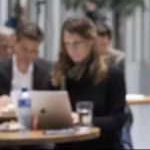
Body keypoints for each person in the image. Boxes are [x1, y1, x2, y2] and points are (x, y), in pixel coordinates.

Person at [51, 16, 126, 149]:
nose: (72, 49)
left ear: (90, 42)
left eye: (77, 43)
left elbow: (118, 120)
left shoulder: (112, 75)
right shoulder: (59, 75)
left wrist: (83, 119)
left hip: (101, 145)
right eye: (67, 44)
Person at [0, 22, 52, 104]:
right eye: (24, 49)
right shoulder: (1, 69)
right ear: (14, 42)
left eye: (33, 51)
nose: (28, 55)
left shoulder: (47, 72)